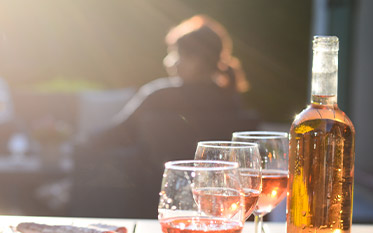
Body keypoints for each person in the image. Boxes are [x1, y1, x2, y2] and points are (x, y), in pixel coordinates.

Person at [70, 15, 259, 219]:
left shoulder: (160, 96)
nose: (169, 62)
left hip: (154, 203)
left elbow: (113, 135)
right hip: (219, 208)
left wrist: (79, 140)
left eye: (176, 54)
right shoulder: (231, 100)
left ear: (195, 60)